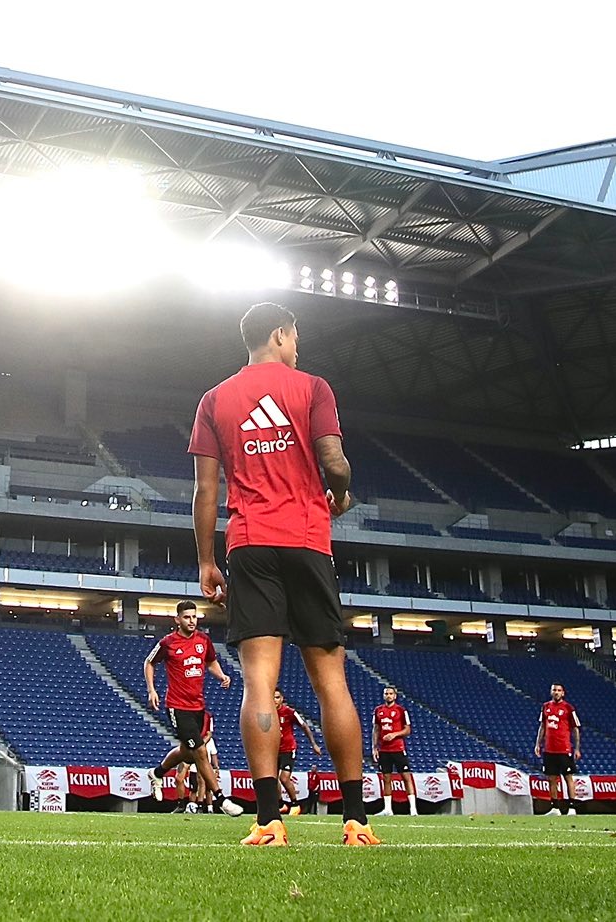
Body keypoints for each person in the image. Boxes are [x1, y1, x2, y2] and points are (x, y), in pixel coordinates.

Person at [189, 301, 379, 847]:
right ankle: (355, 821)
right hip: (307, 540)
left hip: (249, 544)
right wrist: (338, 496)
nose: (298, 345)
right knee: (331, 683)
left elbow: (206, 491)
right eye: (296, 336)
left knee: (259, 683)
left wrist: (206, 559)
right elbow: (336, 464)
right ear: (279, 334)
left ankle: (268, 819)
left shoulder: (214, 399)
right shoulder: (312, 387)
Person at [144, 600, 241, 816]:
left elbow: (210, 662)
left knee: (187, 754)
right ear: (177, 619)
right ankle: (222, 799)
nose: (191, 621)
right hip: (178, 706)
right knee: (200, 751)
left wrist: (222, 675)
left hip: (198, 706)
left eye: (194, 617)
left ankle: (157, 773)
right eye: (187, 617)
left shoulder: (203, 640)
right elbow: (149, 662)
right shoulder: (168, 642)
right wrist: (152, 690)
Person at [534, 683, 583, 816]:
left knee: (568, 777)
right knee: (552, 779)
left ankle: (572, 807)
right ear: (551, 692)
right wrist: (538, 744)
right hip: (549, 749)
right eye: (554, 690)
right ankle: (555, 808)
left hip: (564, 749)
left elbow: (575, 729)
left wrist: (577, 748)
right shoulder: (545, 707)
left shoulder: (568, 708)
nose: (556, 692)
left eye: (559, 690)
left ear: (563, 693)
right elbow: (542, 726)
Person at [273, 689, 323, 814]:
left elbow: (304, 726)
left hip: (288, 749)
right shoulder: (268, 713)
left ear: (282, 699)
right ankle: (280, 804)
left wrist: (314, 744)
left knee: (284, 778)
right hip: (273, 750)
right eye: (273, 697)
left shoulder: (289, 712)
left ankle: (295, 804)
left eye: (277, 697)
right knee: (272, 779)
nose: (275, 700)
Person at [373, 686, 416, 816]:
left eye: (391, 693)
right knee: (386, 778)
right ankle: (388, 809)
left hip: (398, 748)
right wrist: (374, 747)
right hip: (384, 749)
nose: (388, 696)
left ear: (395, 696)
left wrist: (395, 734)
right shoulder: (378, 711)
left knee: (406, 777)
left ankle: (413, 809)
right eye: (386, 693)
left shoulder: (401, 711)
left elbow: (408, 730)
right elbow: (376, 729)